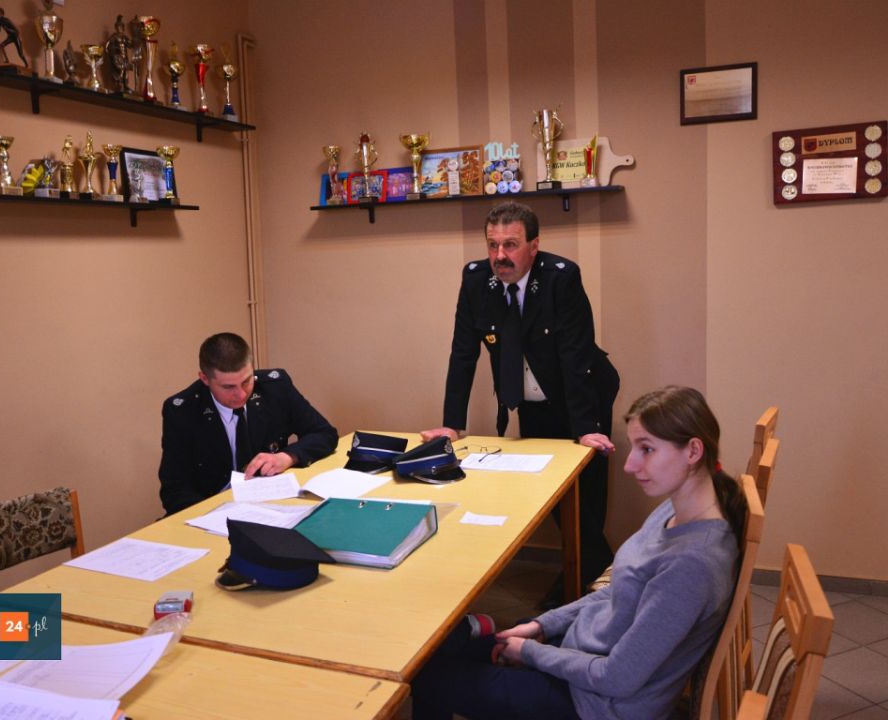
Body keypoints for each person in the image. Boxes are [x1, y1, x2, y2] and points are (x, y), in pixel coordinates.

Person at [411, 386, 746, 720]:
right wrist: (542, 626)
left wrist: (531, 653)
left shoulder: (692, 565)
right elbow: (620, 591)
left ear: (693, 451)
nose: (630, 465)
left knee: (426, 676)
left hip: (596, 705)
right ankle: (473, 636)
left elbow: (617, 678)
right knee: (432, 656)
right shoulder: (676, 509)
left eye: (647, 449)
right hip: (582, 655)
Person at [421, 200, 619, 588]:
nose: (500, 256)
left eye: (510, 245)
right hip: (529, 400)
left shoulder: (561, 277)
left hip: (584, 394)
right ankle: (588, 580)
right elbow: (462, 354)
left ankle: (589, 583)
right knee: (554, 493)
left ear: (534, 245)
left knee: (586, 495)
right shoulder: (477, 280)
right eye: (492, 245)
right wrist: (451, 424)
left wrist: (584, 428)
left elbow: (575, 355)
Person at [158, 332, 338, 514]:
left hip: (272, 504)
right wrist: (214, 515)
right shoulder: (183, 411)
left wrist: (287, 457)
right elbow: (174, 490)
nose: (241, 394)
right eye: (228, 387)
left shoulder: (275, 388)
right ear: (205, 379)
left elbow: (324, 433)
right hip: (213, 511)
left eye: (246, 381)